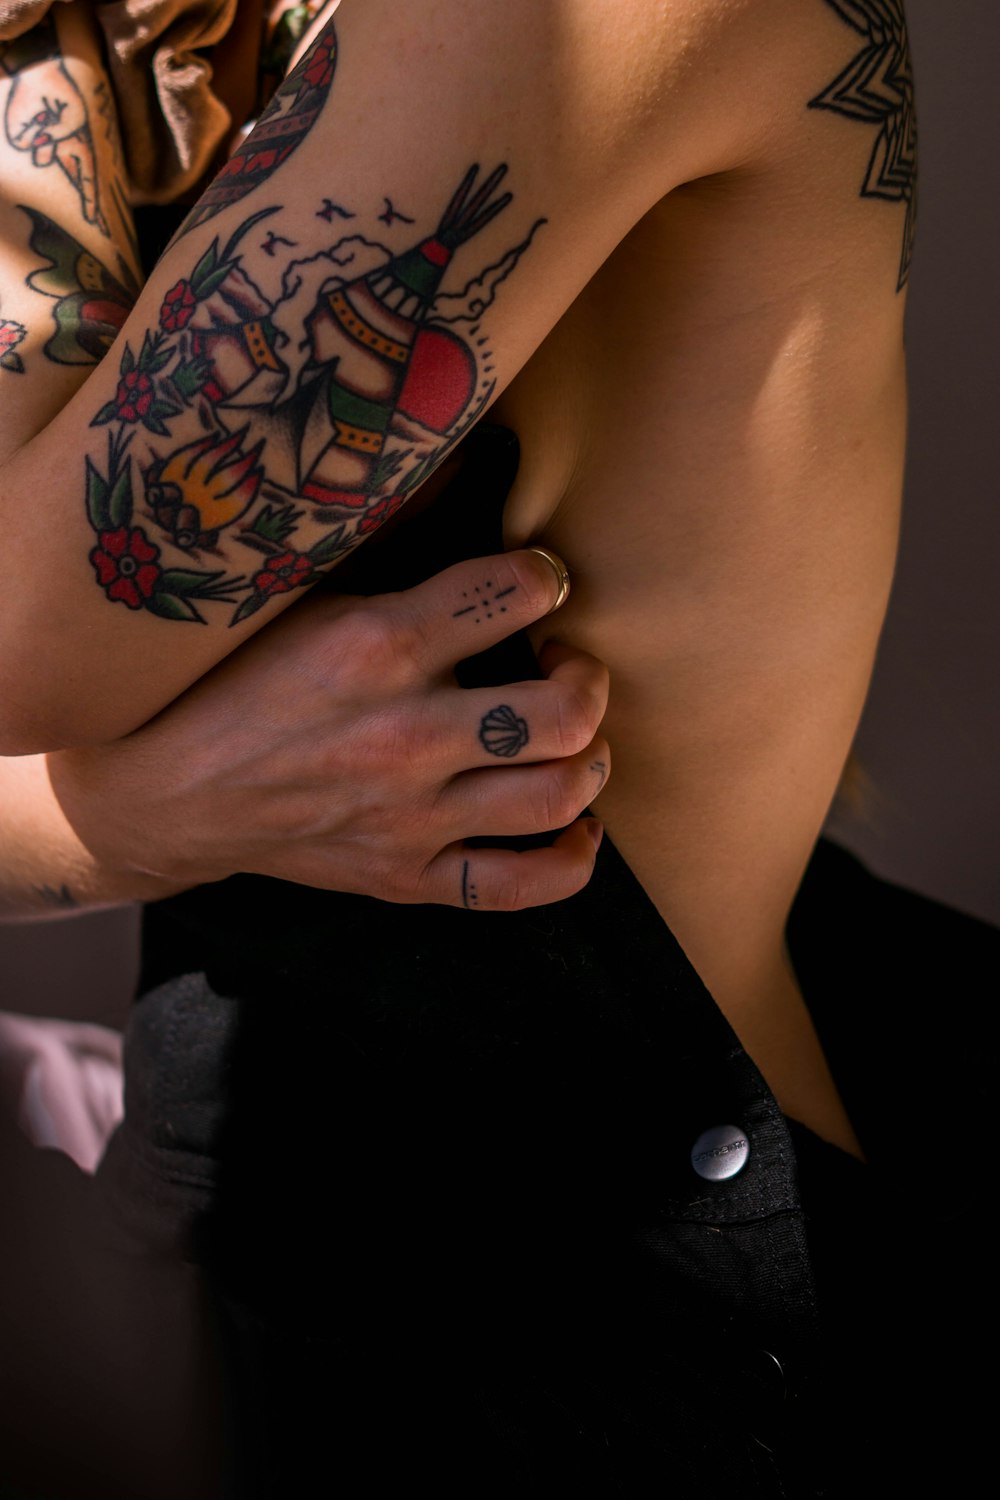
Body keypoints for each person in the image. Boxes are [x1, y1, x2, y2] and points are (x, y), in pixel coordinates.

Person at [1, 0, 993, 1495]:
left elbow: (21, 651)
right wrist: (128, 828)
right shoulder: (177, 43)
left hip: (624, 1305)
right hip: (358, 1236)